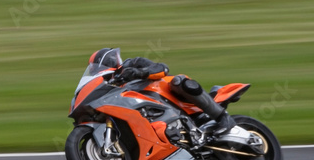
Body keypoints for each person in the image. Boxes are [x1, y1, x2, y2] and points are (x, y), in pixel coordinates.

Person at [88, 47, 236, 134]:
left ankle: (223, 118)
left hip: (171, 97)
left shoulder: (133, 64)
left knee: (179, 81)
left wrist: (139, 73)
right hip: (150, 115)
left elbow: (162, 68)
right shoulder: (110, 86)